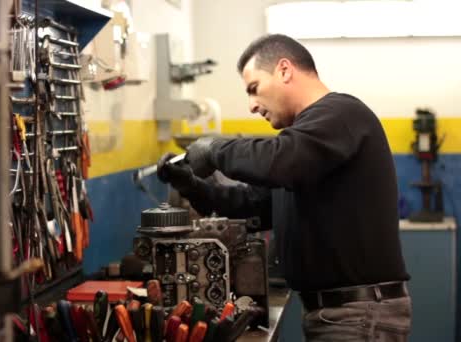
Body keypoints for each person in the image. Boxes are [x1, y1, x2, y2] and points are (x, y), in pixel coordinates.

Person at [157, 34, 411, 341]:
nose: (252, 106)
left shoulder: (341, 115)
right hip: (336, 313)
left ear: (285, 70)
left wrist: (215, 150)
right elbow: (249, 205)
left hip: (358, 313)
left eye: (254, 89)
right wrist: (190, 184)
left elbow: (279, 158)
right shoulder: (305, 150)